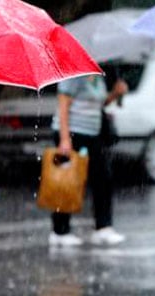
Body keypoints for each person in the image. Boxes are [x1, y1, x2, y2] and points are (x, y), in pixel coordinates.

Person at [48, 75, 128, 247]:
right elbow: (63, 106)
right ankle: (60, 230)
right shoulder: (72, 76)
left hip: (93, 134)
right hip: (73, 134)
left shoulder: (98, 76)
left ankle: (103, 227)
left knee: (103, 179)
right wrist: (64, 138)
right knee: (68, 181)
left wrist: (115, 94)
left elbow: (98, 104)